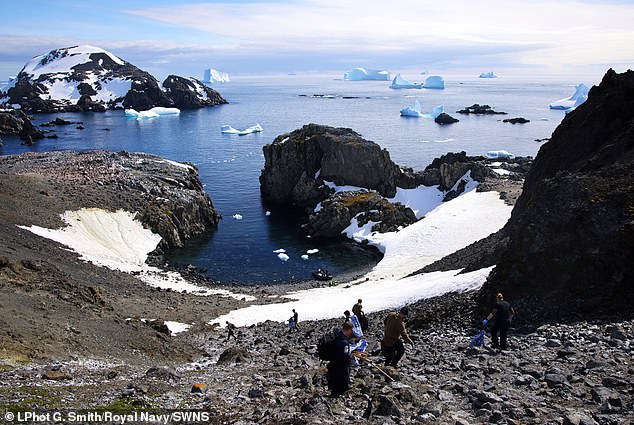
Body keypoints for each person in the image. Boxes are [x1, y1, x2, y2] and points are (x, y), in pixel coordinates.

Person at [327, 321, 354, 397]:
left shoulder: (337, 335)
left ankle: (336, 391)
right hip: (341, 364)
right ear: (348, 330)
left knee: (335, 376)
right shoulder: (343, 342)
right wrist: (350, 357)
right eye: (351, 330)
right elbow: (344, 356)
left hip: (334, 362)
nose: (351, 332)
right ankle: (340, 392)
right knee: (342, 376)